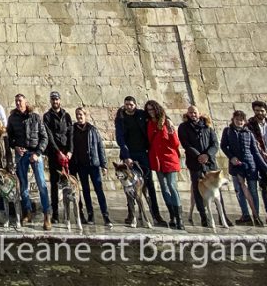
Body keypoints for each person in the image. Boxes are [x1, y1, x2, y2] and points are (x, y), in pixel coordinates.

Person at [114, 95, 166, 226]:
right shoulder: (120, 118)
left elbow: (158, 115)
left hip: (143, 153)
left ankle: (156, 214)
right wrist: (126, 156)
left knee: (149, 184)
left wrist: (168, 120)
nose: (129, 107)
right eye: (126, 104)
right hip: (129, 154)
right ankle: (131, 214)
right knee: (128, 184)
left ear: (135, 105)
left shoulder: (142, 114)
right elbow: (120, 138)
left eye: (131, 105)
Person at [6, 93, 52, 230]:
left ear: (25, 102)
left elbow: (44, 138)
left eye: (20, 101)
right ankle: (27, 211)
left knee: (41, 184)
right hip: (21, 154)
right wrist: (15, 147)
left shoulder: (35, 117)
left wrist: (38, 153)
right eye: (16, 101)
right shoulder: (12, 118)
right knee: (23, 185)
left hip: (35, 153)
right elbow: (10, 138)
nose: (18, 103)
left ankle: (47, 214)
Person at [220, 110, 267, 225]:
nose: (239, 122)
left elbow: (255, 152)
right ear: (233, 120)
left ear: (244, 121)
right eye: (237, 120)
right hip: (236, 165)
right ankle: (245, 215)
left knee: (253, 190)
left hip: (250, 165)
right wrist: (231, 157)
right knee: (239, 191)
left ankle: (256, 215)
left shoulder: (249, 133)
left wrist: (266, 168)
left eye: (241, 120)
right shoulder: (227, 131)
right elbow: (223, 146)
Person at [178, 104, 219, 228]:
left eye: (195, 112)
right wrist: (198, 156)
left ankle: (222, 215)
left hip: (210, 163)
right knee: (197, 189)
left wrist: (207, 155)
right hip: (194, 163)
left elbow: (215, 144)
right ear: (187, 114)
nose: (193, 115)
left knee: (216, 189)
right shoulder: (183, 127)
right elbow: (186, 144)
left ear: (199, 113)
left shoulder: (207, 126)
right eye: (190, 112)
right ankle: (203, 216)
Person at [69, 107, 111, 226]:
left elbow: (100, 147)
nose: (79, 116)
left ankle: (105, 215)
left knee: (99, 190)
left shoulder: (92, 130)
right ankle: (90, 214)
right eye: (77, 114)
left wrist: (104, 165)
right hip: (81, 165)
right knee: (86, 191)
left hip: (93, 164)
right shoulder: (73, 130)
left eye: (81, 114)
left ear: (85, 115)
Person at [145, 100, 183, 230]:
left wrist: (171, 132)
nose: (151, 112)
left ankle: (179, 218)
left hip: (169, 158)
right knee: (164, 187)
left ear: (157, 109)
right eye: (148, 110)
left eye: (152, 109)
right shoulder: (149, 123)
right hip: (157, 160)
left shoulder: (167, 122)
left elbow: (176, 144)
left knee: (172, 186)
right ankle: (172, 216)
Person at [42, 91, 73, 224]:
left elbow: (70, 134)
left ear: (60, 100)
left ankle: (69, 213)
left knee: (69, 183)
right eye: (53, 99)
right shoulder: (47, 116)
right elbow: (49, 135)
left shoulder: (67, 116)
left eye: (57, 99)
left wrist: (70, 151)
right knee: (55, 184)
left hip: (67, 153)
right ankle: (55, 213)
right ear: (51, 101)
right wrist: (58, 151)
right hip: (55, 154)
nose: (55, 102)